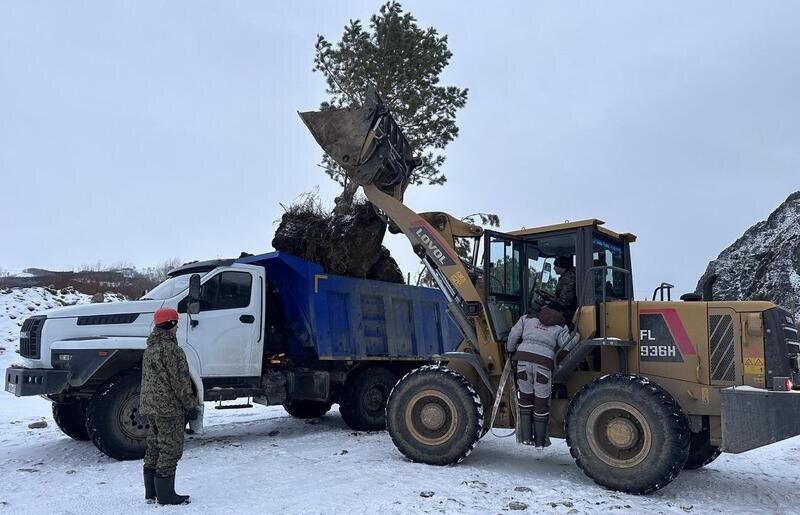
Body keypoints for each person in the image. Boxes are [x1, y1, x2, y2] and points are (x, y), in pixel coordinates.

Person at [139, 307, 199, 505]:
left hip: (151, 407)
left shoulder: (151, 348)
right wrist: (190, 405)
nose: (178, 327)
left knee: (154, 446)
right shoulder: (172, 350)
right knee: (171, 449)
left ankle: (151, 493)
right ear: (171, 324)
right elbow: (180, 383)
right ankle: (166, 495)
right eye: (176, 323)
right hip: (168, 408)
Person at [506, 306, 579, 447]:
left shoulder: (527, 318)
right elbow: (567, 346)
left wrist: (510, 350)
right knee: (541, 401)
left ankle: (526, 437)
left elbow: (514, 334)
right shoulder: (560, 325)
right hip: (543, 363)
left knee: (525, 397)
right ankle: (540, 442)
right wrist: (576, 334)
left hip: (523, 359)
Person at [548, 255, 577, 324]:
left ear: (561, 267)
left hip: (569, 311)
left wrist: (549, 305)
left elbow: (565, 300)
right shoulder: (567, 276)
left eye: (555, 266)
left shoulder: (569, 278)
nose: (554, 268)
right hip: (568, 309)